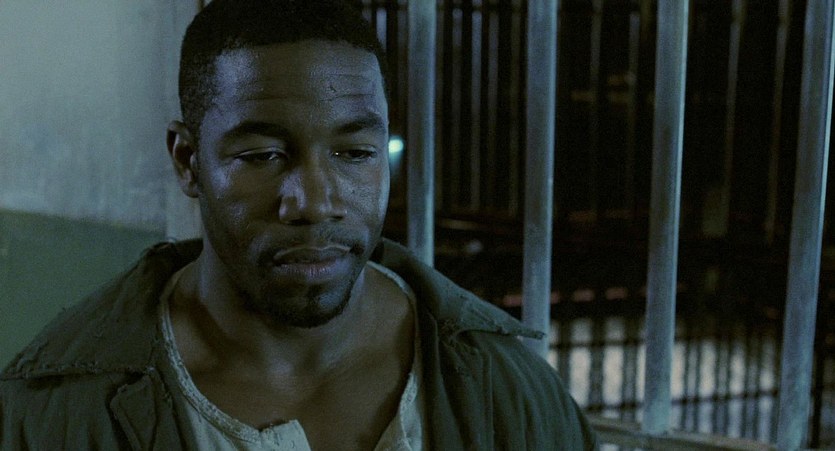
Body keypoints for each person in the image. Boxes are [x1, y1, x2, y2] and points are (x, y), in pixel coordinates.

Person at [0, 1, 598, 449]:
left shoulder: (505, 391)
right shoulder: (58, 414)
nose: (314, 202)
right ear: (188, 161)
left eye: (354, 154)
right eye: (262, 155)